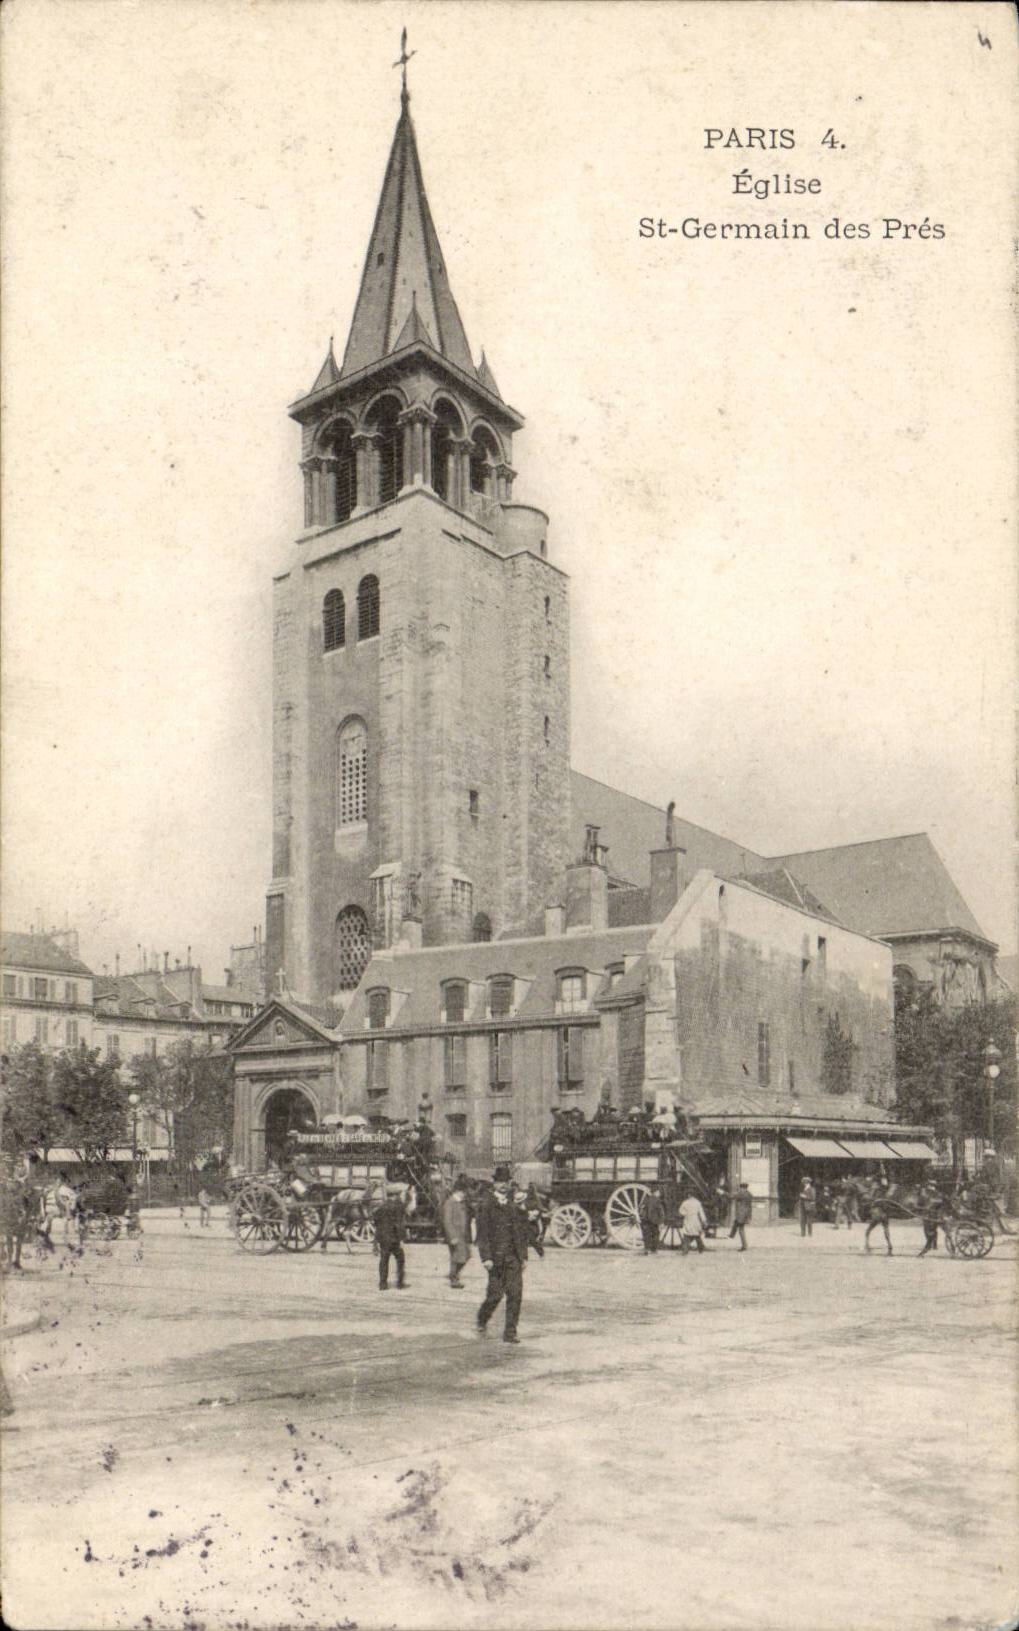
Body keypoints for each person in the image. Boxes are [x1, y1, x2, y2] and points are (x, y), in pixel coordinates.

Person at [475, 1165, 529, 1344]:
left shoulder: (513, 1205)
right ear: (494, 1183)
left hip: (513, 1258)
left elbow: (520, 1233)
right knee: (495, 1296)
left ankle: (510, 1332)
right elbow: (482, 1234)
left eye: (506, 1182)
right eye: (500, 1182)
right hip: (495, 1259)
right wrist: (486, 1257)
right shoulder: (486, 1205)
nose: (503, 1186)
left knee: (515, 1294)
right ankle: (482, 1318)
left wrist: (523, 1256)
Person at [373, 1187, 408, 1290]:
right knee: (400, 1259)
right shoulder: (399, 1206)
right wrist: (402, 1238)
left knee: (384, 1260)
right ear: (395, 1195)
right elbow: (399, 1224)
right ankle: (400, 1283)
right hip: (394, 1238)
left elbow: (375, 1220)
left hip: (383, 1238)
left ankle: (383, 1284)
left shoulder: (382, 1206)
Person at [441, 1176, 471, 1288]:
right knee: (457, 1257)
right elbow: (447, 1221)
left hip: (462, 1235)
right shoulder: (450, 1203)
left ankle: (453, 1275)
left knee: (466, 1255)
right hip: (455, 1235)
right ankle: (454, 1279)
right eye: (464, 1192)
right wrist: (452, 1236)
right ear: (458, 1191)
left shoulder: (461, 1202)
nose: (465, 1194)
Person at [863, 1177, 893, 1256]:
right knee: (885, 1229)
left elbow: (870, 1198)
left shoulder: (876, 1188)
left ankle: (868, 1245)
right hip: (883, 1211)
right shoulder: (879, 1188)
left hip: (879, 1212)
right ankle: (890, 1248)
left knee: (869, 1230)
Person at [917, 1181, 945, 1258]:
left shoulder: (932, 1196)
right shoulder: (938, 1195)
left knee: (929, 1228)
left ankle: (929, 1246)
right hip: (934, 1212)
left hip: (931, 1213)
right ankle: (934, 1245)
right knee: (934, 1228)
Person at [523, 1183, 547, 1258]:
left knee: (530, 1240)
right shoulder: (536, 1200)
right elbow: (540, 1209)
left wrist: (531, 1215)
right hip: (531, 1223)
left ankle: (540, 1253)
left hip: (531, 1223)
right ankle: (526, 1256)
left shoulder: (526, 1199)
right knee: (528, 1240)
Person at [639, 1188, 665, 1254]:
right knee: (655, 1234)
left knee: (646, 1235)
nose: (659, 1194)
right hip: (654, 1221)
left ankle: (646, 1249)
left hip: (645, 1220)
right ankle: (654, 1249)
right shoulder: (657, 1200)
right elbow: (660, 1211)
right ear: (656, 1192)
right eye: (658, 1192)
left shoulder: (646, 1199)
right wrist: (661, 1221)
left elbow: (641, 1209)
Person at [729, 1182, 752, 1250]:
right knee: (735, 1223)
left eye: (740, 1188)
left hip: (741, 1214)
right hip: (745, 1214)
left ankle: (744, 1246)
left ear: (742, 1188)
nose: (740, 1189)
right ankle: (731, 1235)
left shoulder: (741, 1194)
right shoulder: (749, 1194)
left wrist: (722, 1192)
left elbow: (731, 1196)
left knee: (741, 1230)